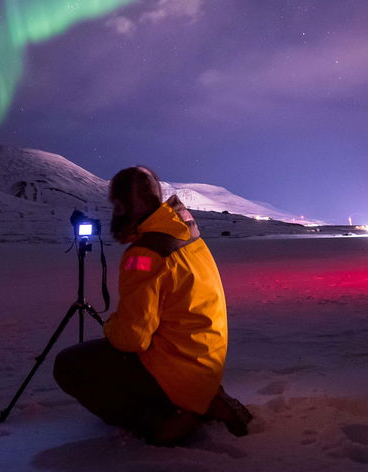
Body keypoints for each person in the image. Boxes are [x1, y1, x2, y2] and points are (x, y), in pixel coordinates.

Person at [53, 165, 252, 446]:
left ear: (123, 205)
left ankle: (165, 420)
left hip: (178, 368)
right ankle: (204, 398)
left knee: (69, 365)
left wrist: (111, 326)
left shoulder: (146, 254)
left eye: (117, 205)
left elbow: (132, 339)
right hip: (204, 359)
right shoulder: (183, 232)